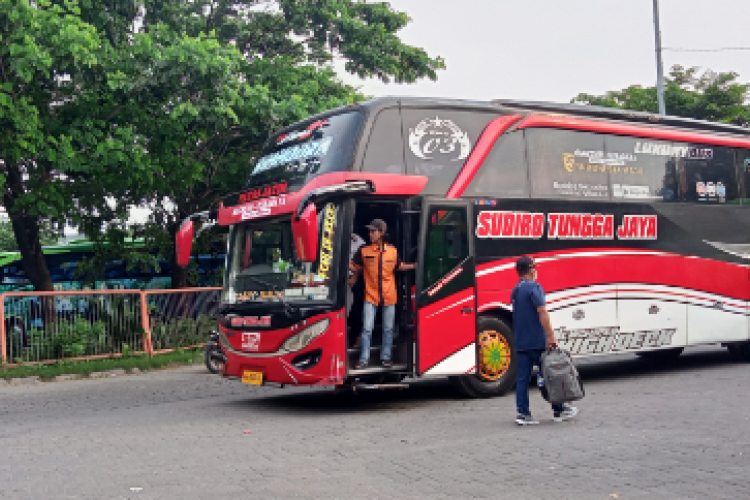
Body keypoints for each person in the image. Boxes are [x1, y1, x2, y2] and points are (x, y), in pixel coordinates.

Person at [512, 256, 579, 425]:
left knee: (522, 379)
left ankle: (523, 413)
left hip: (521, 342)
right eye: (535, 267)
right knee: (551, 375)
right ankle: (559, 410)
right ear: (530, 269)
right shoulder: (535, 287)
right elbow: (542, 311)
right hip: (537, 341)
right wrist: (550, 335)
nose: (536, 271)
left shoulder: (516, 290)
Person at [349, 219, 415, 368]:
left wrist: (415, 265)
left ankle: (386, 358)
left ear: (382, 232)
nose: (370, 234)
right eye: (370, 231)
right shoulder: (364, 250)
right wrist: (353, 271)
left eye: (373, 231)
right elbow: (354, 266)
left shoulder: (392, 250)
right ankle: (363, 360)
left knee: (388, 329)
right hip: (370, 295)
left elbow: (399, 266)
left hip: (389, 295)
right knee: (366, 329)